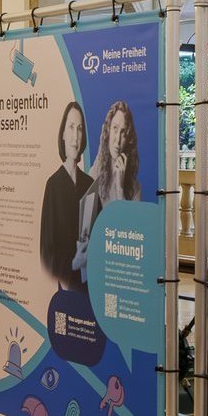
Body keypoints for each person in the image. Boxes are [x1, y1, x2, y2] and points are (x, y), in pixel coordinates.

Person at [71, 101, 142, 279]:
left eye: (123, 132)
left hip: (119, 269)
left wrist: (120, 187)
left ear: (128, 138)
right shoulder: (93, 175)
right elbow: (82, 230)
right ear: (108, 131)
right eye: (115, 128)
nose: (117, 139)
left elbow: (131, 239)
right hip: (94, 268)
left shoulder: (134, 188)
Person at [39, 101, 92, 290]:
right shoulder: (53, 185)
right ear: (62, 133)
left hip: (89, 287)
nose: (75, 136)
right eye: (71, 127)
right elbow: (46, 251)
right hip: (65, 287)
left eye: (79, 128)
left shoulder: (89, 184)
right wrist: (72, 264)